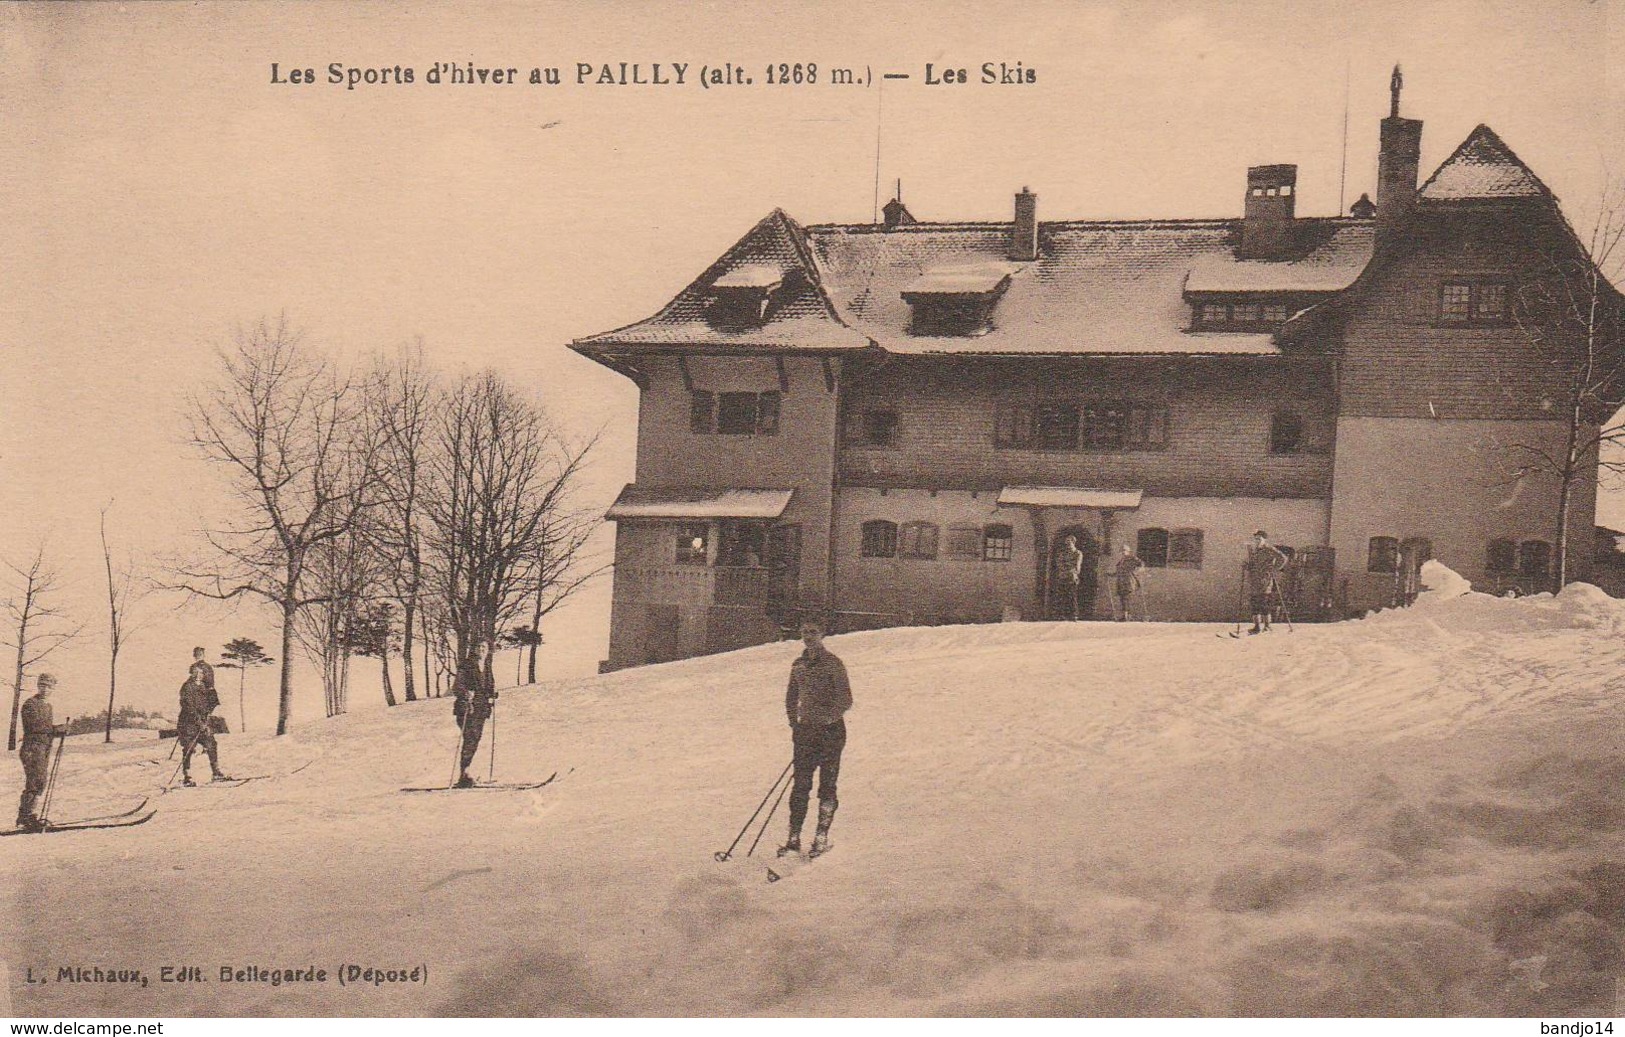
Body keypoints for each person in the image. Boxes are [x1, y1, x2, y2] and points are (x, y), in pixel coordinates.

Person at [782, 619, 852, 858]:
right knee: (800, 785)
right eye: (804, 632)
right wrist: (795, 724)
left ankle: (820, 838)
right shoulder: (798, 664)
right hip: (806, 733)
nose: (808, 636)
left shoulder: (833, 664)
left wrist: (827, 720)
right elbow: (791, 697)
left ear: (823, 634)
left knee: (827, 786)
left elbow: (845, 700)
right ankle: (793, 838)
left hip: (831, 733)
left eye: (813, 632)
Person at [17, 673, 66, 831]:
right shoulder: (30, 704)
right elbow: (34, 727)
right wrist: (56, 729)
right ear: (38, 686)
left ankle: (30, 816)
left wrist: (59, 731)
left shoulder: (47, 706)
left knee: (40, 782)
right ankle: (25, 817)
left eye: (49, 687)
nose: (45, 689)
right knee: (34, 782)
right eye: (42, 685)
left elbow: (46, 730)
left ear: (53, 689)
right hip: (31, 748)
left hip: (43, 748)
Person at [179, 646, 231, 785]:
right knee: (189, 747)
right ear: (191, 673)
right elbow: (189, 708)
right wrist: (200, 722)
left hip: (203, 721)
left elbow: (212, 702)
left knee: (211, 744)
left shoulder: (204, 687)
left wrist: (209, 711)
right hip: (188, 723)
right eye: (196, 672)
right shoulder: (187, 687)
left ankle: (216, 773)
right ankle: (187, 776)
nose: (199, 674)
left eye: (201, 673)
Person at [453, 641, 498, 788]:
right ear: (474, 649)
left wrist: (492, 694)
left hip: (481, 709)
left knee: (475, 739)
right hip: (467, 709)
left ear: (488, 650)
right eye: (478, 647)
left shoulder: (486, 666)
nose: (481, 649)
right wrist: (466, 693)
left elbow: (488, 685)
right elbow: (457, 686)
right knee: (470, 739)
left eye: (484, 647)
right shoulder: (466, 665)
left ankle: (465, 773)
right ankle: (464, 774)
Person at [1245, 531, 1289, 634]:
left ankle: (1267, 626)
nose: (1257, 541)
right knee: (1255, 603)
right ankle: (1256, 627)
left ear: (1264, 540)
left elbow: (1283, 558)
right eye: (1255, 539)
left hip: (1265, 580)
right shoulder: (1254, 551)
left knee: (1264, 602)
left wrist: (1274, 568)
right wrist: (1247, 566)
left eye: (1259, 539)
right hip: (1254, 580)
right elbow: (1252, 564)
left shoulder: (1269, 549)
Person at [1055, 535, 1085, 620]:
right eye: (1066, 542)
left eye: (1069, 542)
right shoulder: (1063, 553)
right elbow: (1059, 563)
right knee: (1062, 596)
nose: (1068, 544)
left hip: (1072, 577)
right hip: (1063, 576)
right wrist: (1066, 568)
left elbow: (1077, 565)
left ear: (1073, 542)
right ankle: (1062, 615)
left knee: (1072, 596)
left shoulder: (1078, 553)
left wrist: (1072, 571)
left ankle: (1074, 615)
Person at [1113, 543, 1146, 621]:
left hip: (1129, 581)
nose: (1123, 552)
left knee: (1126, 598)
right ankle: (1126, 616)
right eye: (1121, 551)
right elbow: (1118, 572)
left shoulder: (1132, 558)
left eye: (1124, 551)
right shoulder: (1121, 561)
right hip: (1121, 582)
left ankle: (1126, 616)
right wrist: (1110, 574)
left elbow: (1141, 564)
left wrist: (1138, 571)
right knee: (1122, 599)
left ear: (1128, 551)